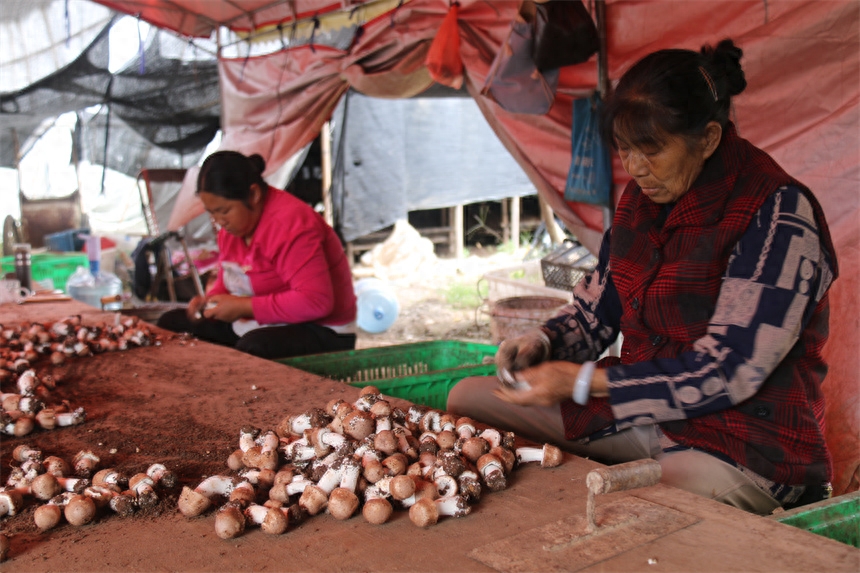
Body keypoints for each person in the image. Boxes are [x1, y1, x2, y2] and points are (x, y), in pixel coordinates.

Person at [447, 39, 838, 515]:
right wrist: (545, 342)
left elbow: (728, 372)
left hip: (742, 441)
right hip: (644, 413)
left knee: (633, 514)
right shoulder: (639, 202)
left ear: (709, 139)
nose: (634, 168)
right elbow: (598, 310)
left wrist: (582, 381)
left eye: (650, 151)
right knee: (467, 399)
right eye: (625, 150)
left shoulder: (776, 212)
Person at [157, 151, 357, 359]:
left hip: (321, 330)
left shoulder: (290, 225)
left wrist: (243, 307)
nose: (218, 221)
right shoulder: (233, 230)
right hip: (261, 322)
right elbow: (230, 280)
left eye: (224, 211)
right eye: (212, 213)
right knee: (173, 324)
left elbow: (317, 302)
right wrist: (210, 304)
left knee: (254, 348)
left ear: (253, 195)